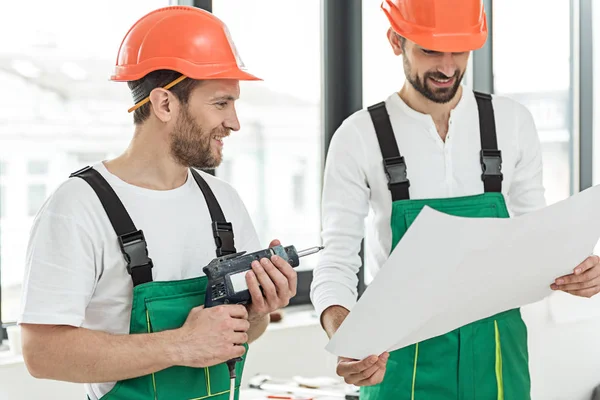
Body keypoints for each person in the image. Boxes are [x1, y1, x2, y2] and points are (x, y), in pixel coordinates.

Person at [310, 0, 600, 399]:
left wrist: (578, 271)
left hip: (499, 354)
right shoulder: (358, 136)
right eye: (430, 50)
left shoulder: (512, 123)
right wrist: (343, 336)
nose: (447, 68)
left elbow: (536, 234)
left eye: (458, 51)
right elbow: (337, 255)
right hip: (398, 361)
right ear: (397, 41)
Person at [18, 6, 297, 400]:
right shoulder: (78, 206)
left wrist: (258, 310)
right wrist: (181, 345)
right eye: (221, 103)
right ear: (165, 104)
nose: (235, 122)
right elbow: (41, 354)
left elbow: (243, 332)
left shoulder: (224, 202)